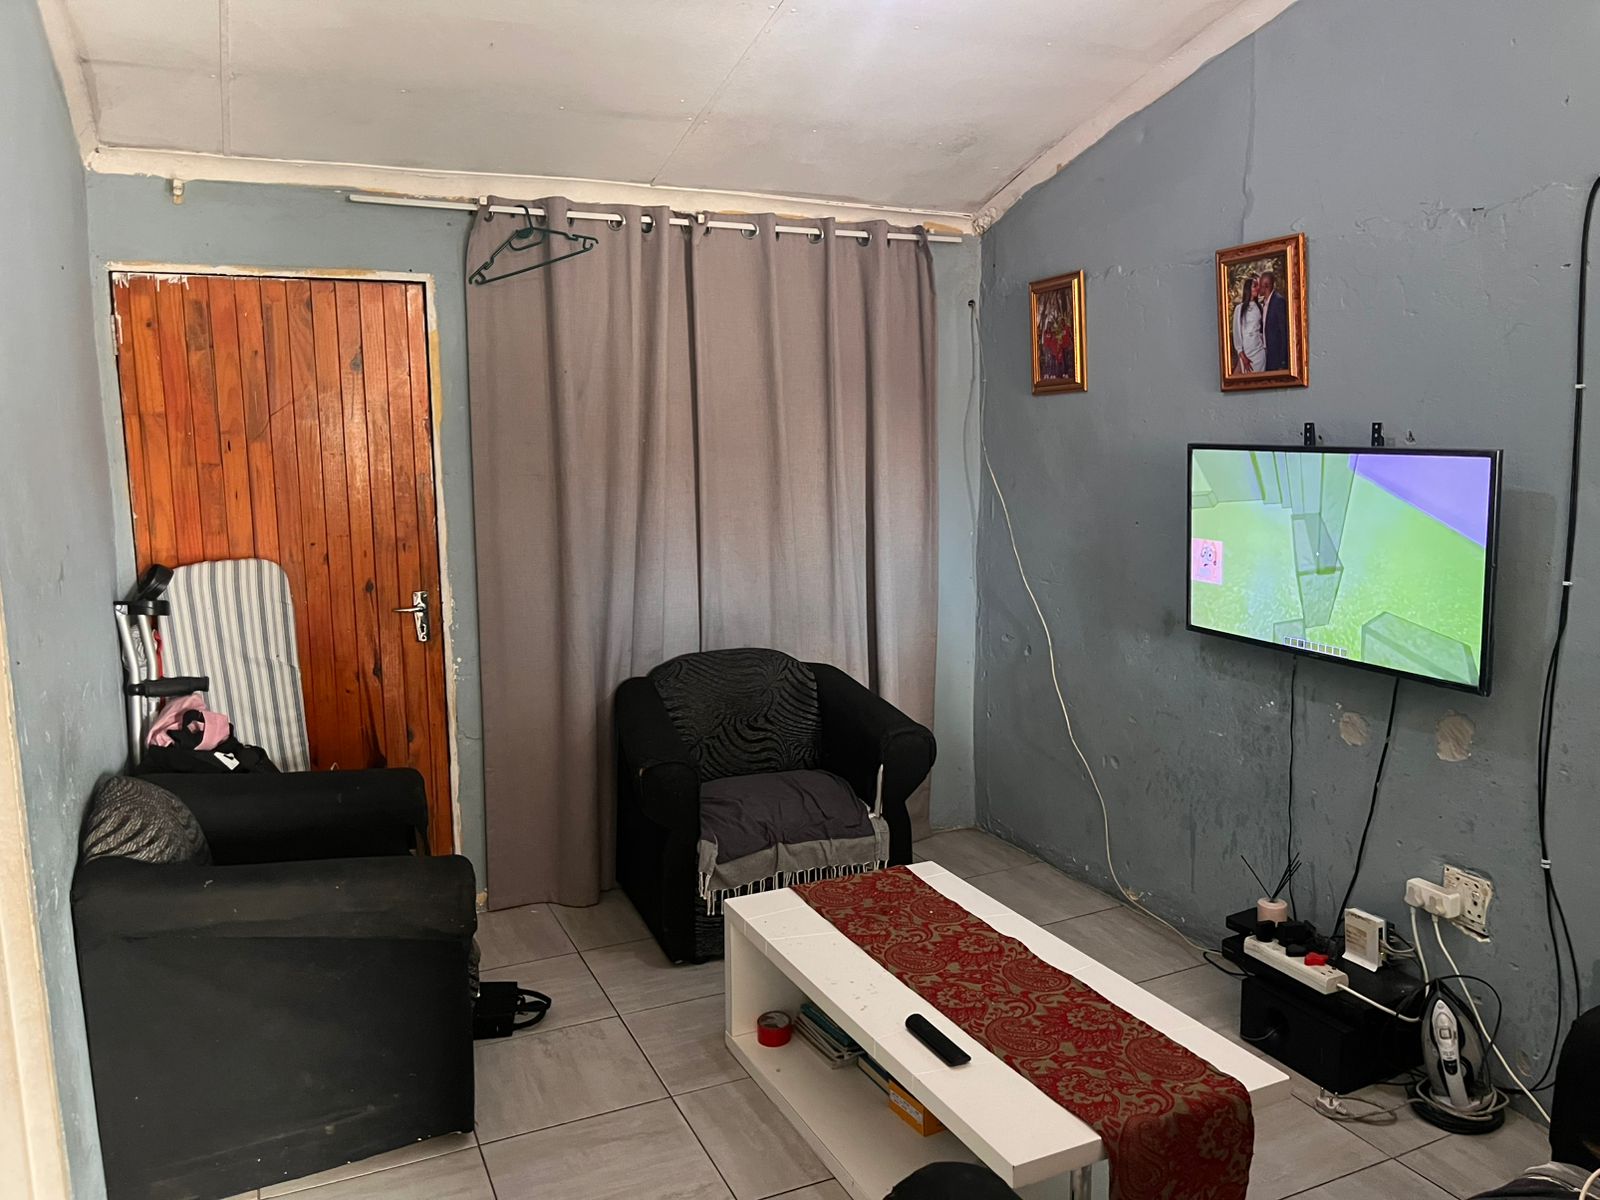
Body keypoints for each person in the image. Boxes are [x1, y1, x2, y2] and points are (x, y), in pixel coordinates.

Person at [1258, 270, 1290, 371]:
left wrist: (1283, 361)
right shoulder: (1263, 303)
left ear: (1266, 286)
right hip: (1266, 355)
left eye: (1260, 285)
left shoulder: (1278, 302)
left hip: (1276, 356)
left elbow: (1284, 332)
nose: (1258, 288)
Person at [1232, 274, 1264, 373]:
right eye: (1255, 286)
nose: (1257, 288)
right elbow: (1237, 333)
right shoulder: (1239, 309)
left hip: (1259, 351)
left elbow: (1262, 329)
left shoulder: (1261, 307)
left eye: (1258, 286)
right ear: (1248, 289)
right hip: (1247, 351)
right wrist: (1242, 355)